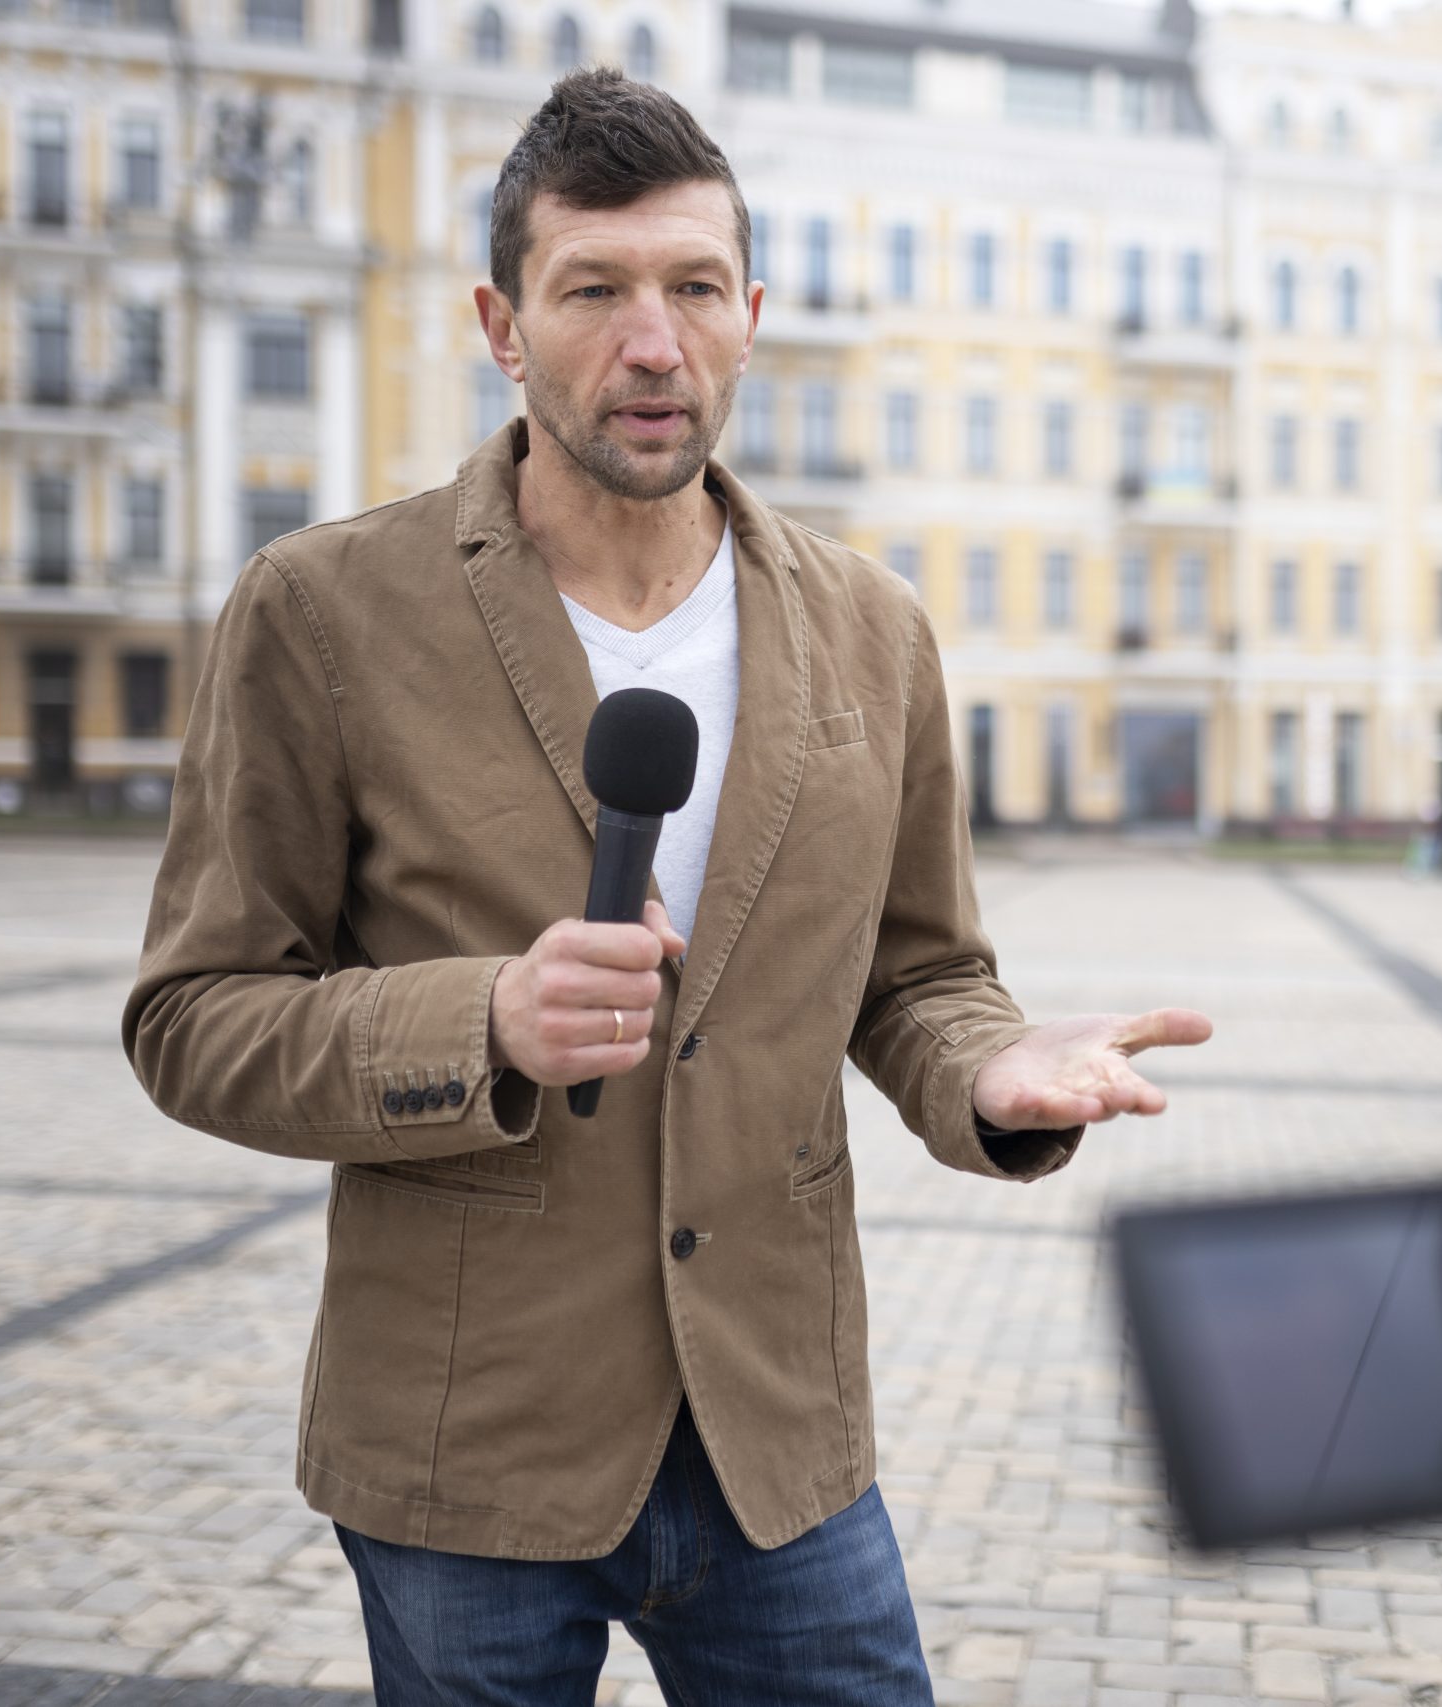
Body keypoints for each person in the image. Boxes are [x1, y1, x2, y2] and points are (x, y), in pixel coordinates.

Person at [122, 68, 1212, 1707]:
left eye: (696, 288)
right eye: (595, 292)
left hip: (777, 1439)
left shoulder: (872, 628)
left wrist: (988, 1068)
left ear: (750, 318)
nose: (654, 343)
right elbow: (194, 1019)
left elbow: (919, 976)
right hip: (468, 1439)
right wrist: (486, 1019)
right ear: (502, 326)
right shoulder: (322, 611)